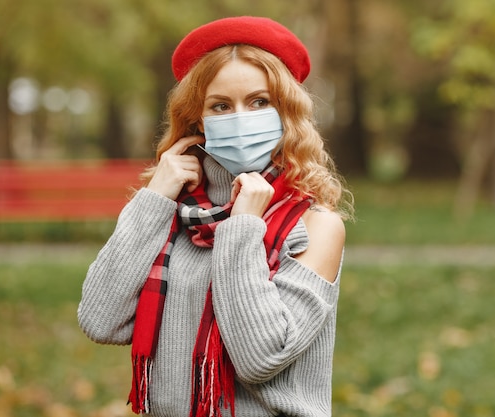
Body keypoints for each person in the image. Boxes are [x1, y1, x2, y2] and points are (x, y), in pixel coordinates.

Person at [78, 16, 353, 417]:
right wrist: (155, 197)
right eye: (221, 106)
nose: (241, 118)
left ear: (286, 113)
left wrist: (241, 228)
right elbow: (101, 320)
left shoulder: (316, 226)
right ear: (197, 120)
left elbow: (260, 358)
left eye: (260, 102)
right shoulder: (172, 215)